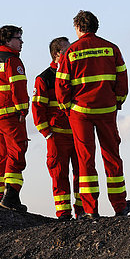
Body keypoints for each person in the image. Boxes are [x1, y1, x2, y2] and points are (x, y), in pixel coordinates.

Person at [55, 10, 130, 218]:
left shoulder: (70, 52)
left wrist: (67, 107)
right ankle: (120, 205)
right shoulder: (111, 49)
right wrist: (117, 101)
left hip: (80, 113)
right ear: (95, 26)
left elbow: (61, 85)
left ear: (78, 28)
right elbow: (122, 80)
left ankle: (90, 210)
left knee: (85, 160)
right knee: (112, 156)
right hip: (107, 110)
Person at [32, 37, 84, 220]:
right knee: (59, 175)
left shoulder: (76, 73)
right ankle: (63, 214)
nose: (72, 53)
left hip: (77, 134)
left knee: (82, 174)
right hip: (57, 136)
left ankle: (82, 211)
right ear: (57, 54)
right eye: (67, 50)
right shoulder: (44, 78)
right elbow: (38, 108)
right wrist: (47, 133)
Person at [0, 25, 29, 212]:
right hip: (10, 115)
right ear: (8, 40)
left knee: (1, 155)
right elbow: (19, 89)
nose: (22, 42)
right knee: (17, 150)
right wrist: (22, 110)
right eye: (18, 38)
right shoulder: (13, 61)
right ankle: (11, 196)